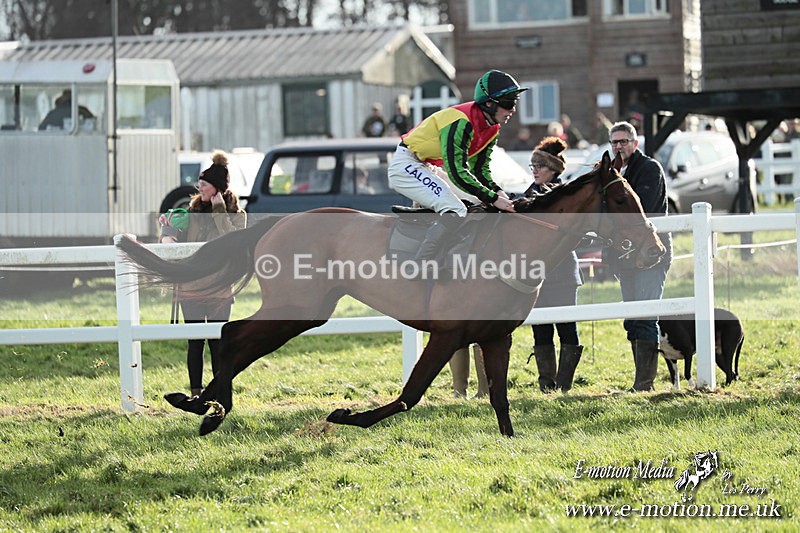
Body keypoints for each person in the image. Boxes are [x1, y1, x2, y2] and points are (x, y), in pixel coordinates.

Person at [387, 69, 524, 268]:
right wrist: (493, 198)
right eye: (508, 103)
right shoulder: (460, 122)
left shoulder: (492, 127)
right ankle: (422, 264)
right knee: (455, 208)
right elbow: (457, 172)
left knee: (480, 201)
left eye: (515, 103)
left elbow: (480, 170)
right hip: (406, 165)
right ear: (489, 103)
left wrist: (499, 193)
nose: (512, 110)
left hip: (426, 166)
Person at [159, 150, 247, 397]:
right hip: (192, 288)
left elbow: (231, 241)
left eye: (205, 184)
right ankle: (196, 393)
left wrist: (220, 212)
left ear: (217, 189)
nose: (199, 187)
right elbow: (181, 244)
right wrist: (169, 230)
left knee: (218, 343)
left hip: (219, 288)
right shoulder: (193, 212)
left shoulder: (238, 216)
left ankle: (219, 391)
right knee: (195, 342)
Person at [606, 121, 672, 391]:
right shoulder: (611, 172)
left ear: (635, 143)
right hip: (625, 256)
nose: (619, 146)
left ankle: (645, 384)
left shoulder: (649, 169)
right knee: (632, 319)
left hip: (650, 253)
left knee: (645, 316)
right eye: (614, 142)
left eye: (623, 141)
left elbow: (643, 210)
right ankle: (639, 380)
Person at [523, 137, 584, 392]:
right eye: (532, 165)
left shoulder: (567, 195)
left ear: (554, 169)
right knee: (541, 330)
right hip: (537, 274)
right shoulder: (527, 195)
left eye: (540, 165)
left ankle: (565, 384)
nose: (535, 169)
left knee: (567, 329)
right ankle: (547, 385)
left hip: (562, 274)